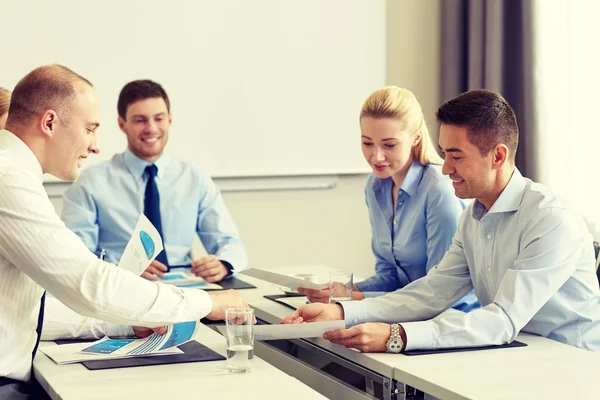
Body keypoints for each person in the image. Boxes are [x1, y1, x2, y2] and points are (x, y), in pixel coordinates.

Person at [282, 89, 600, 353]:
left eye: (456, 156)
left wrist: (398, 336)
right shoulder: (474, 217)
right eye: (444, 154)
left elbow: (502, 318)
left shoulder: (549, 220)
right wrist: (342, 311)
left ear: (498, 156)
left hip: (569, 364)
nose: (445, 168)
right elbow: (433, 291)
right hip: (515, 352)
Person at [0, 65, 248, 397]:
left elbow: (32, 311)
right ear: (49, 123)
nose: (95, 145)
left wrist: (125, 323)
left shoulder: (15, 174)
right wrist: (206, 303)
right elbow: (87, 282)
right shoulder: (8, 178)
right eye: (89, 129)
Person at [298, 87, 479, 312]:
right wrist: (349, 292)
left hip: (450, 317)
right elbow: (389, 274)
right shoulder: (376, 187)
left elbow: (440, 291)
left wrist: (362, 300)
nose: (377, 156)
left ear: (415, 139)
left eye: (389, 145)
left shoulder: (439, 191)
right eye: (367, 143)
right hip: (405, 310)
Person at [61, 79, 247, 283]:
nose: (151, 128)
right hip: (120, 288)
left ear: (170, 120)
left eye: (159, 118)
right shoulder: (90, 182)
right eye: (140, 120)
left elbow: (230, 243)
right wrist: (121, 270)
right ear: (122, 124)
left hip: (185, 289)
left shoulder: (195, 179)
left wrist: (223, 264)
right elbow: (76, 257)